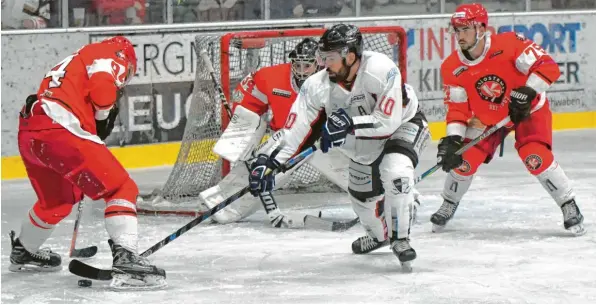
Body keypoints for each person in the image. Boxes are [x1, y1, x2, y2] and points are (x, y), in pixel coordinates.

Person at [247, 24, 430, 270]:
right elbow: (295, 129)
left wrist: (350, 124)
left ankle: (401, 238)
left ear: (350, 56)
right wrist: (269, 161)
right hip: (361, 138)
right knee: (362, 199)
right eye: (322, 57)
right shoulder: (316, 85)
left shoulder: (381, 68)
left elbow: (388, 122)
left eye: (330, 58)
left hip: (403, 124)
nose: (324, 64)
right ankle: (380, 236)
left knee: (396, 171)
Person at [9, 36, 167, 289]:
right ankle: (126, 259)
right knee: (121, 189)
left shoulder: (74, 60)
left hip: (31, 131)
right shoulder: (111, 53)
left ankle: (24, 251)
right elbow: (103, 92)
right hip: (60, 128)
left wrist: (90, 122)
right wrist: (102, 114)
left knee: (56, 202)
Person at [431, 3, 585, 235]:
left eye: (465, 29)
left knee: (535, 157)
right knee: (462, 159)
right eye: (457, 29)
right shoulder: (452, 67)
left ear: (481, 28)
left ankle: (568, 203)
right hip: (489, 121)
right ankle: (449, 201)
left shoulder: (509, 44)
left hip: (527, 112)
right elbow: (457, 109)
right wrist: (453, 139)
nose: (459, 35)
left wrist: (528, 90)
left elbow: (548, 66)